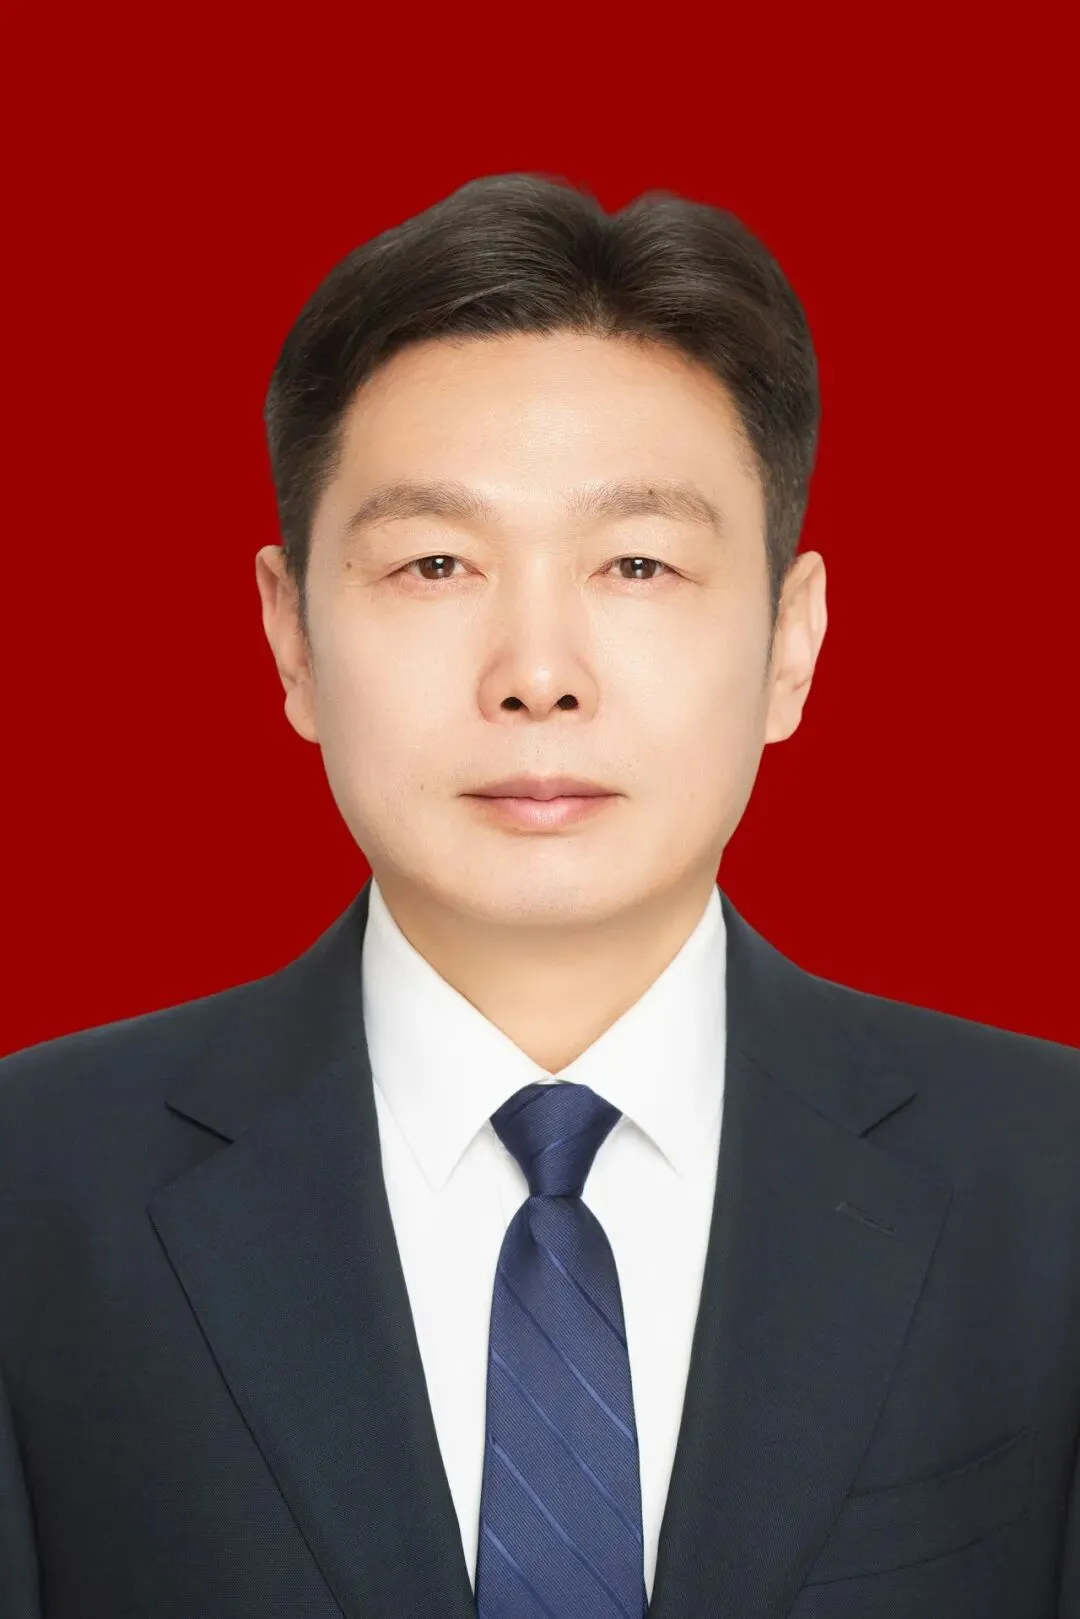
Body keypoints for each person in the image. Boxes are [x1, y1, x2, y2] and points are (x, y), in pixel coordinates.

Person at [1, 172, 1077, 1619]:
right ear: (292, 636)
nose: (538, 672)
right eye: (435, 561)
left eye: (637, 561)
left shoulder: (1050, 1182)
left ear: (792, 642)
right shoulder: (32, 1190)